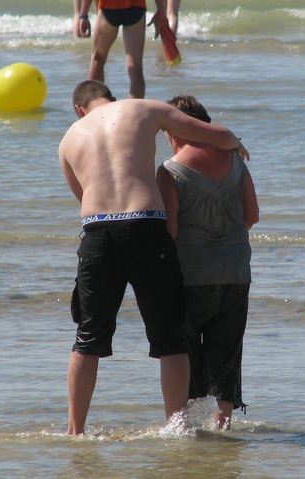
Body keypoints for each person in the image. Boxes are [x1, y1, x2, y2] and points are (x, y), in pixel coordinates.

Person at [58, 81, 249, 435]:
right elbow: (212, 134)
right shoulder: (141, 107)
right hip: (146, 227)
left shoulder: (69, 138)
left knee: (88, 338)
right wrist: (236, 145)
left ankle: (75, 431)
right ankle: (175, 427)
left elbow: (81, 195)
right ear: (112, 99)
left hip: (99, 232)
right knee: (170, 339)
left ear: (79, 110)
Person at [156, 95, 259, 430]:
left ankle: (187, 424)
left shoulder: (170, 171)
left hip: (191, 272)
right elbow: (252, 216)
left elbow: (170, 230)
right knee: (227, 348)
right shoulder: (235, 160)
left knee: (187, 349)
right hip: (234, 268)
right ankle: (224, 421)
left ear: (178, 127)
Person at [75, 0, 166, 99]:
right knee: (135, 68)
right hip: (136, 7)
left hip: (109, 6)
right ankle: (134, 111)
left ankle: (97, 107)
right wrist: (161, 11)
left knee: (98, 59)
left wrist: (83, 15)